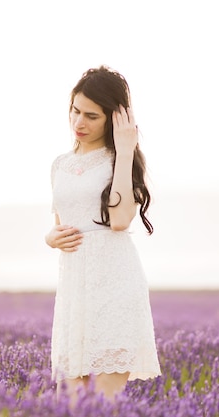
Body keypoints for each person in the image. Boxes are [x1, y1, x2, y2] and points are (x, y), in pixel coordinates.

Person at [46, 66, 161, 404]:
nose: (79, 122)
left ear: (113, 119)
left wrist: (125, 152)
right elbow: (60, 223)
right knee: (70, 404)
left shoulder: (118, 160)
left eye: (91, 116)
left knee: (105, 404)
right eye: (75, 111)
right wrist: (49, 239)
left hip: (114, 283)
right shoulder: (59, 165)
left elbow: (121, 220)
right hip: (74, 287)